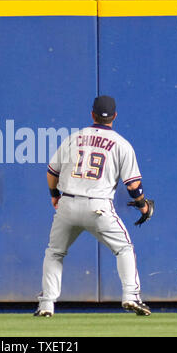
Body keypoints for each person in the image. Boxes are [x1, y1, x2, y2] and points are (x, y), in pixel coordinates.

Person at [34, 95, 154, 317]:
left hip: (68, 203)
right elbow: (133, 185)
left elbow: (52, 172)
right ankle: (131, 296)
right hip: (99, 207)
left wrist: (54, 195)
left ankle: (46, 305)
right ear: (115, 116)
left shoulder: (74, 138)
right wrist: (142, 205)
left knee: (54, 253)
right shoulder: (121, 144)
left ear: (92, 115)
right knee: (124, 249)